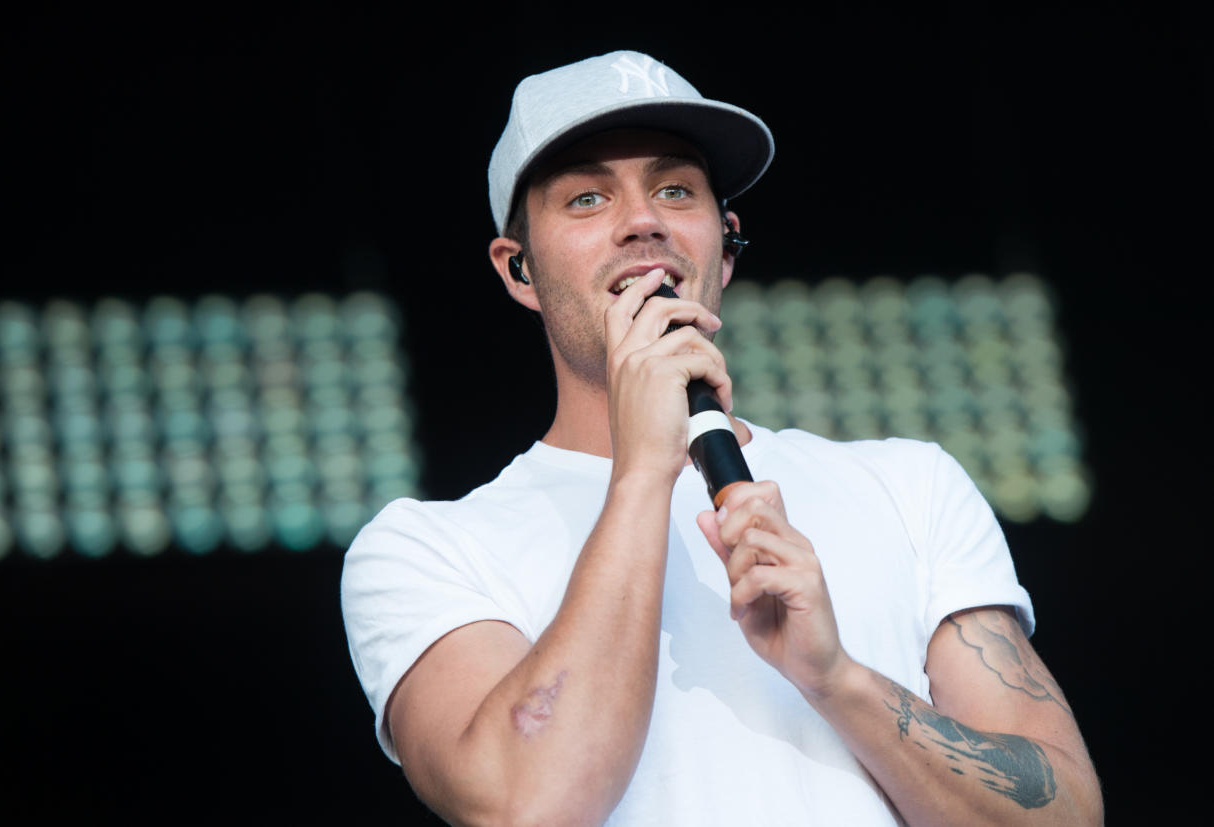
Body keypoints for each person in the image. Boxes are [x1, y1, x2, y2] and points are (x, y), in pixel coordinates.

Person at [341, 50, 1102, 825]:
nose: (642, 220)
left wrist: (836, 677)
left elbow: (1066, 813)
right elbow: (524, 805)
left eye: (675, 189)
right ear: (519, 270)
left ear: (726, 243)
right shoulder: (426, 547)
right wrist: (642, 473)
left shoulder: (909, 485)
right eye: (587, 198)